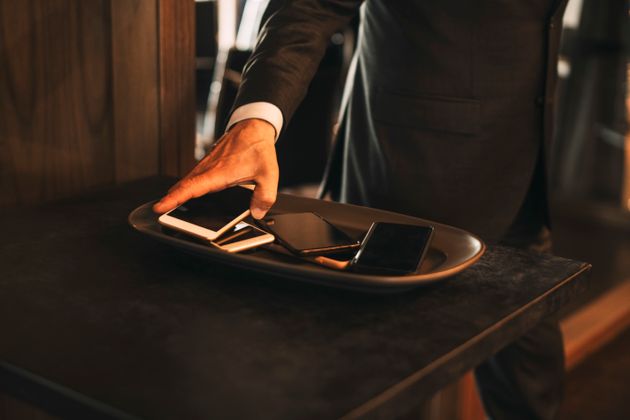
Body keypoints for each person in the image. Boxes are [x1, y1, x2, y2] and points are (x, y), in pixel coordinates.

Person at [154, 1, 569, 418]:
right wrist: (255, 123)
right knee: (386, 386)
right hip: (410, 175)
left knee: (532, 384)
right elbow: (307, 6)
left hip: (525, 172)